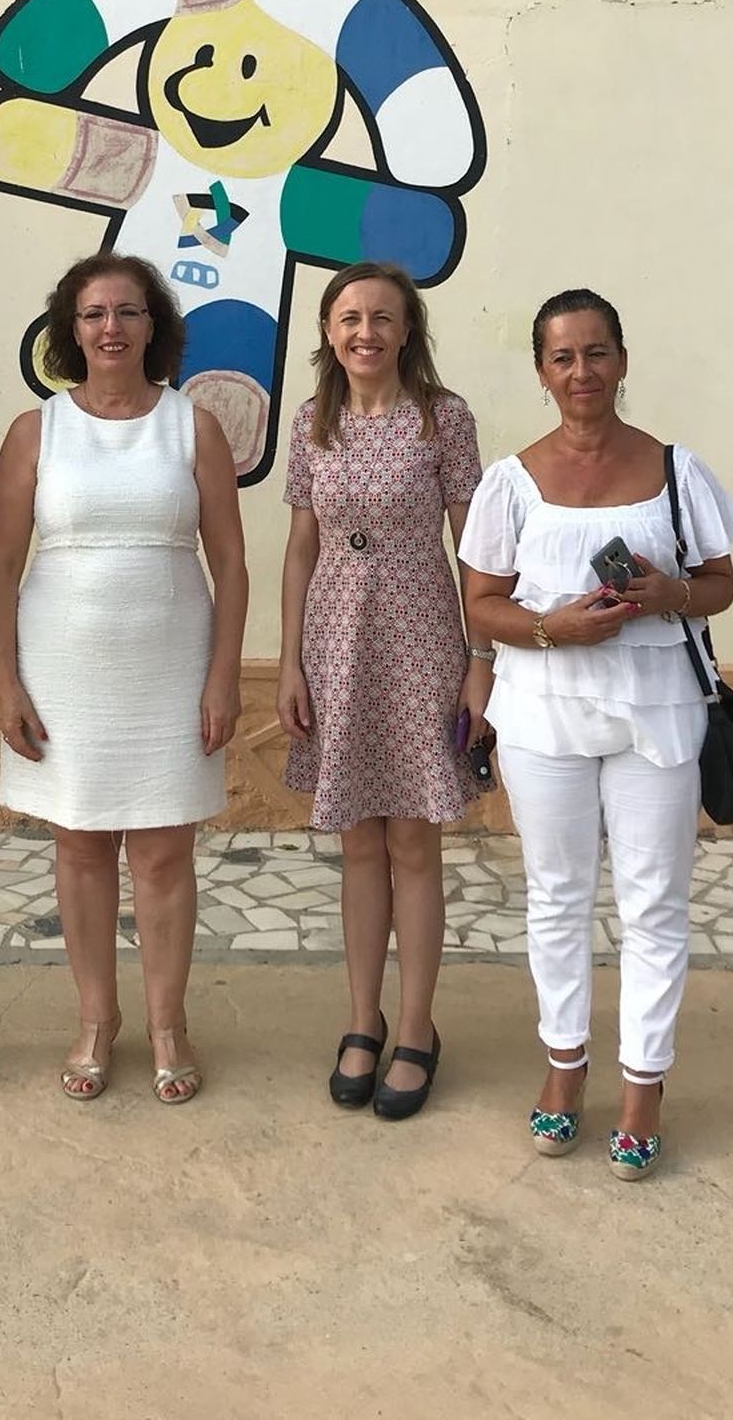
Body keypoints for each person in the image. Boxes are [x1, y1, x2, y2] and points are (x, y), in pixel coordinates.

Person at [458, 288, 733, 1178]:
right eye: (562, 357)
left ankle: (643, 1086)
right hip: (543, 713)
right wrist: (555, 627)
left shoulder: (674, 469)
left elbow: (722, 582)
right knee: (556, 895)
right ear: (541, 371)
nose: (580, 372)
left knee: (654, 902)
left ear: (622, 360)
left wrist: (672, 595)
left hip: (655, 710)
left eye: (596, 352)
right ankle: (563, 1068)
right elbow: (478, 602)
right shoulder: (510, 480)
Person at [0, 253, 247, 1104]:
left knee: (166, 852)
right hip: (63, 668)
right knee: (79, 844)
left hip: (170, 664)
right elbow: (2, 569)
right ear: (71, 327)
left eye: (128, 311)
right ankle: (98, 1018)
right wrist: (4, 681)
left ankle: (168, 1021)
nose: (110, 328)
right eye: (93, 313)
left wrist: (223, 676)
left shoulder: (192, 426)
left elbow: (233, 566)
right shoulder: (36, 431)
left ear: (153, 325)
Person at [276, 261, 486, 1122]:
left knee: (413, 845)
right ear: (328, 330)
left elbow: (476, 547)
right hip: (335, 645)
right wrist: (288, 659)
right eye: (350, 317)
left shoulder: (445, 419)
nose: (366, 331)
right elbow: (299, 548)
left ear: (408, 331)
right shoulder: (311, 422)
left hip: (423, 642)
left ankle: (417, 1027)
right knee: (357, 844)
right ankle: (361, 1021)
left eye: (383, 318)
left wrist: (484, 661)